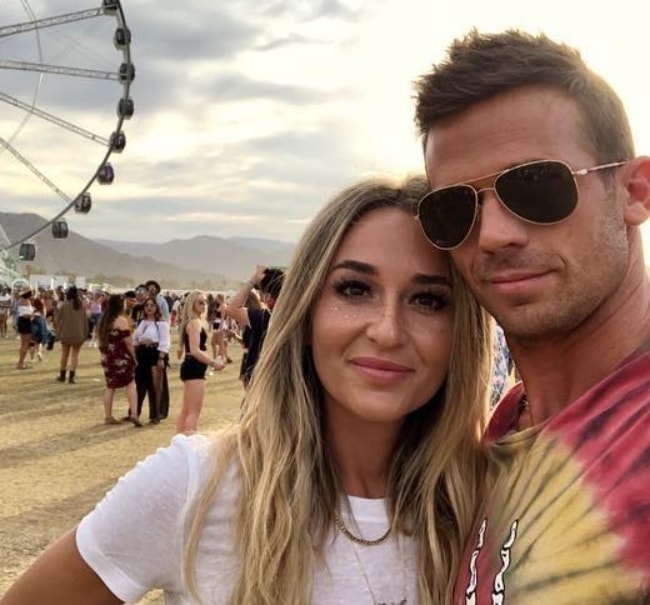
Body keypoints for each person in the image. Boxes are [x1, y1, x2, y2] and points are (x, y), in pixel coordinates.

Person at [0, 175, 494, 605]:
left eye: (428, 299)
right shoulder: (197, 486)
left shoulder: (487, 503)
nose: (387, 331)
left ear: (463, 333)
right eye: (354, 289)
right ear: (304, 314)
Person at [414, 29, 650, 604]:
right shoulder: (501, 429)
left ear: (635, 192)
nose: (493, 236)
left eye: (537, 185)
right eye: (455, 206)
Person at [224, 264, 285, 388]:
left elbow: (231, 309)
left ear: (267, 295)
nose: (261, 299)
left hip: (264, 381)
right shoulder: (294, 315)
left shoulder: (265, 317)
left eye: (261, 292)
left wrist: (252, 281)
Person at [176, 290, 225, 434]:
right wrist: (214, 363)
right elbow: (196, 350)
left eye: (205, 302)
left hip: (191, 366)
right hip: (194, 367)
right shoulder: (195, 323)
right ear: (192, 304)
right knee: (193, 412)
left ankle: (180, 443)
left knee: (186, 410)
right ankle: (188, 442)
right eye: (200, 302)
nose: (204, 305)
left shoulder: (193, 322)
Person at [96, 294, 142, 427]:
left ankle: (108, 416)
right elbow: (128, 342)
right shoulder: (121, 320)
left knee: (110, 386)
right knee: (130, 383)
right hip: (121, 357)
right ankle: (134, 414)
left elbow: (100, 341)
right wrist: (134, 357)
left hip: (106, 356)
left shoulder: (104, 321)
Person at [132, 296, 170, 424]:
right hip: (141, 354)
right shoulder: (142, 322)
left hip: (155, 354)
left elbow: (165, 342)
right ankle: (135, 412)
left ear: (156, 307)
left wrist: (161, 358)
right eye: (147, 305)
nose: (149, 307)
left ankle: (156, 414)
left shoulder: (161, 324)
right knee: (140, 385)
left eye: (152, 305)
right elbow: (135, 338)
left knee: (156, 386)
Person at [54, 286, 88, 384]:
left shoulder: (64, 306)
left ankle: (62, 375)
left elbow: (57, 320)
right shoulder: (81, 306)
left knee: (65, 355)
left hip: (66, 333)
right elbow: (85, 320)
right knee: (75, 355)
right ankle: (72, 376)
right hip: (78, 334)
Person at [15, 288, 34, 370]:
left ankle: (21, 362)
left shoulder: (23, 300)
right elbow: (25, 315)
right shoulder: (24, 301)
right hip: (25, 322)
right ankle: (21, 363)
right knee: (25, 344)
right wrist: (34, 315)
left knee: (24, 344)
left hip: (23, 322)